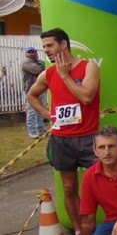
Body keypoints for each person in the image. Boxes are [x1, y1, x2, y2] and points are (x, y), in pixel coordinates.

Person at [27, 28, 100, 233]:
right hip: (61, 139)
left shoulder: (89, 67)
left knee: (98, 185)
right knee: (69, 188)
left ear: (64, 44)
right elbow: (32, 96)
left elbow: (87, 97)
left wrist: (65, 76)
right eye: (44, 47)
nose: (46, 51)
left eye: (50, 45)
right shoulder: (47, 73)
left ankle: (102, 226)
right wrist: (46, 114)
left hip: (88, 137)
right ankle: (78, 230)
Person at [21, 46, 46, 138]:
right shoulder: (26, 62)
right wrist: (43, 67)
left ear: (36, 52)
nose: (31, 54)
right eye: (29, 52)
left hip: (41, 88)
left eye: (33, 52)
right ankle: (31, 131)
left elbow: (47, 68)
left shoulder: (39, 62)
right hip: (30, 90)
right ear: (26, 54)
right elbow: (39, 70)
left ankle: (41, 130)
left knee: (41, 110)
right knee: (32, 111)